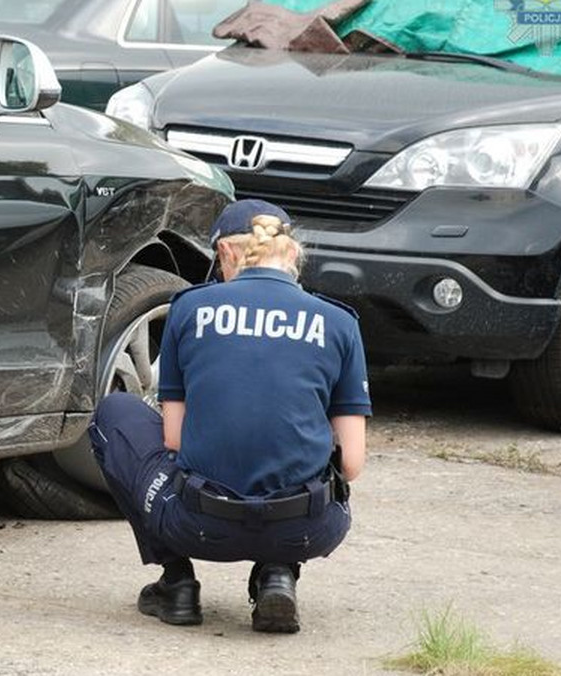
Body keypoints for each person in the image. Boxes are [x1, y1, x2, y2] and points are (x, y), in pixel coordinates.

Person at [89, 199, 370, 633]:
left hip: (198, 525)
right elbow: (351, 464)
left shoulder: (189, 307)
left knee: (114, 414)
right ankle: (278, 573)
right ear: (293, 253)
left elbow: (176, 439)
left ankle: (176, 582)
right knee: (296, 456)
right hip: (308, 529)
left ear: (224, 254)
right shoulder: (338, 322)